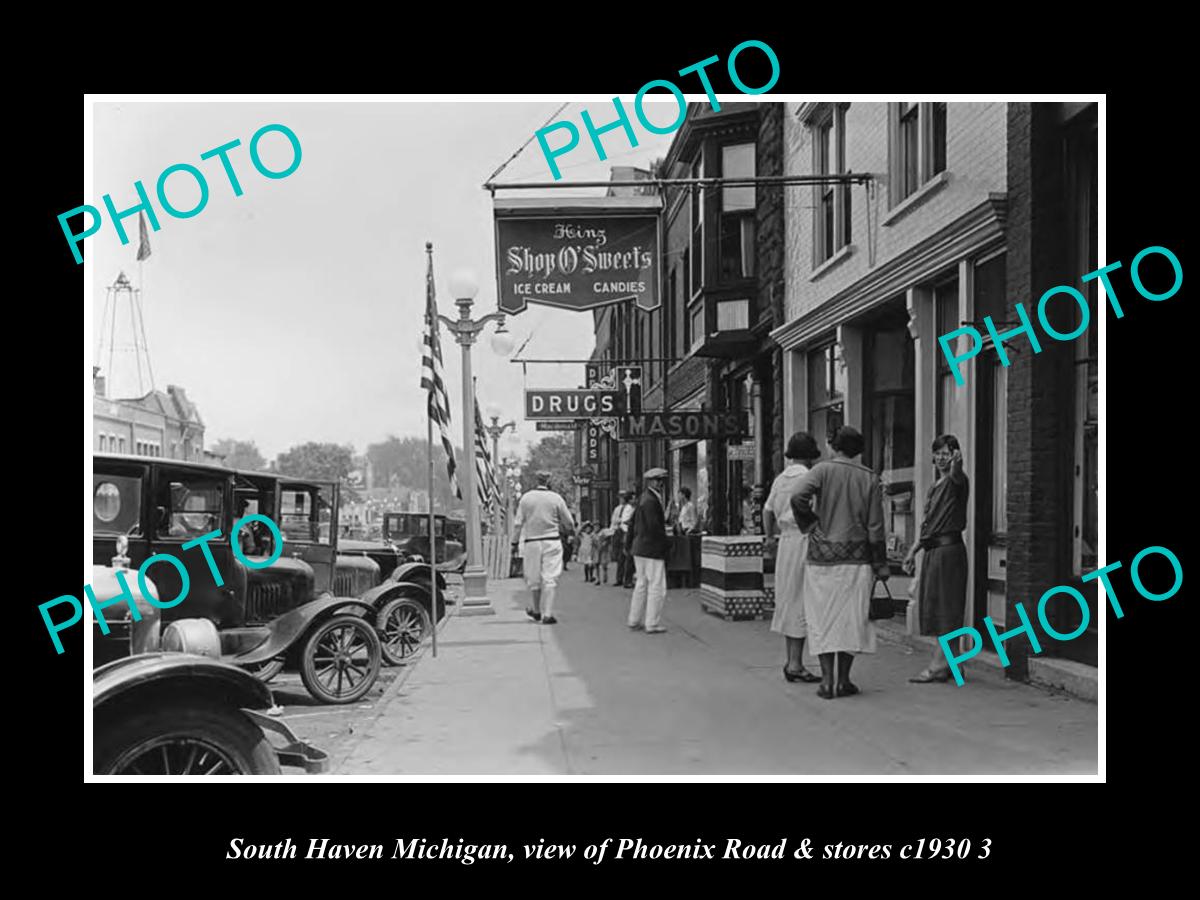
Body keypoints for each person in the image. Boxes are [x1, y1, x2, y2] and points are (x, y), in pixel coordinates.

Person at [790, 426, 889, 700]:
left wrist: (810, 524)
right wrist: (881, 563)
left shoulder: (821, 471)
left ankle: (826, 681)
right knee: (851, 619)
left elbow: (797, 496)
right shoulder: (869, 478)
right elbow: (875, 526)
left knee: (822, 618)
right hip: (857, 560)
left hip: (821, 558)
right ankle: (844, 680)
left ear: (834, 447)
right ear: (858, 450)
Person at [904, 435, 970, 683]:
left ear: (955, 455)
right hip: (934, 551)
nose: (942, 457)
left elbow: (957, 476)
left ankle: (938, 663)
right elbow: (929, 525)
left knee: (946, 607)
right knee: (938, 605)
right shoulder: (935, 486)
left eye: (947, 453)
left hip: (948, 552)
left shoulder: (956, 482)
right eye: (938, 453)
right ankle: (954, 663)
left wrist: (957, 466)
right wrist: (913, 550)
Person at [763, 432, 822, 684]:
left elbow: (767, 510)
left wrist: (769, 537)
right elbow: (819, 511)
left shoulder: (780, 480)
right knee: (805, 600)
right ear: (810, 456)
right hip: (804, 539)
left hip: (785, 542)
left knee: (788, 598)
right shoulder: (809, 478)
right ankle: (797, 663)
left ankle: (792, 660)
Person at [512, 470, 575, 625]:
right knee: (550, 578)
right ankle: (547, 613)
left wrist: (514, 543)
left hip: (532, 541)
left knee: (534, 578)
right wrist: (571, 532)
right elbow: (569, 522)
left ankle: (536, 610)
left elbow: (518, 523)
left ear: (536, 480)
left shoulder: (526, 498)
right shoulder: (556, 498)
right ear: (548, 481)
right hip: (552, 540)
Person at [627, 468, 671, 634]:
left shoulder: (642, 499)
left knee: (641, 584)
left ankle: (634, 619)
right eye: (660, 481)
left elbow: (632, 523)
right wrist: (666, 545)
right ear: (653, 482)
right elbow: (655, 528)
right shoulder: (652, 501)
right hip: (652, 548)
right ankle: (651, 623)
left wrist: (629, 544)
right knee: (657, 586)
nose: (661, 484)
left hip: (639, 547)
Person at [610, 490, 637, 588]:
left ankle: (621, 579)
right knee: (626, 557)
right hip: (624, 533)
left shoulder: (625, 508)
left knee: (622, 557)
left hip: (621, 532)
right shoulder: (627, 508)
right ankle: (626, 580)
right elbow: (621, 521)